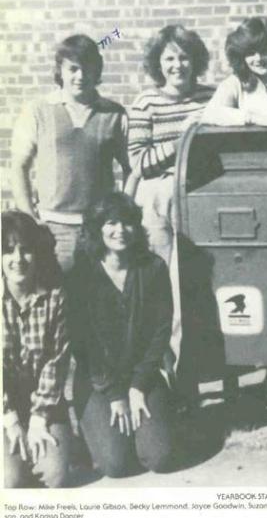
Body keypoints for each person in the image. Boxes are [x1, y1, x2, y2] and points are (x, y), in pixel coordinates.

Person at [68, 193, 175, 478]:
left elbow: (161, 331)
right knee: (115, 465)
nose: (120, 230)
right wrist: (116, 395)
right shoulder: (81, 276)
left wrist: (139, 386)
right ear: (97, 228)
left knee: (158, 458)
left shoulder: (153, 268)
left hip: (142, 375)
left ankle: (154, 419)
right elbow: (83, 345)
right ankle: (97, 426)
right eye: (111, 222)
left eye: (127, 222)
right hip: (99, 381)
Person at [11, 34, 130, 273]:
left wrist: (119, 217)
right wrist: (30, 219)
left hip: (98, 228)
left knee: (97, 303)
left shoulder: (114, 114)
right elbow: (18, 167)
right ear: (60, 71)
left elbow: (131, 170)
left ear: (97, 72)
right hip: (52, 228)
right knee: (55, 297)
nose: (80, 76)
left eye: (87, 69)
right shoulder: (38, 111)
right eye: (73, 69)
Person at [125, 24, 214, 264]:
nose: (178, 65)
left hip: (200, 192)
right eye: (169, 59)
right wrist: (181, 142)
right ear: (158, 63)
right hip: (156, 200)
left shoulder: (211, 98)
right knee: (160, 267)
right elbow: (138, 163)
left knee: (200, 267)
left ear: (195, 60)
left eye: (184, 57)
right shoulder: (146, 102)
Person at [2, 211, 71, 488]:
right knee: (10, 480)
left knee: (55, 476)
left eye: (25, 250)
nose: (17, 259)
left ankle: (54, 444)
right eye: (7, 251)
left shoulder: (55, 296)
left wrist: (39, 421)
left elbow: (56, 361)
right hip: (4, 403)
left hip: (44, 400)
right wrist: (10, 420)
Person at [201, 17, 267, 129]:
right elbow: (210, 114)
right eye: (251, 53)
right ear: (241, 56)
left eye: (264, 51)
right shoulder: (235, 83)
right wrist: (255, 118)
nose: (258, 58)